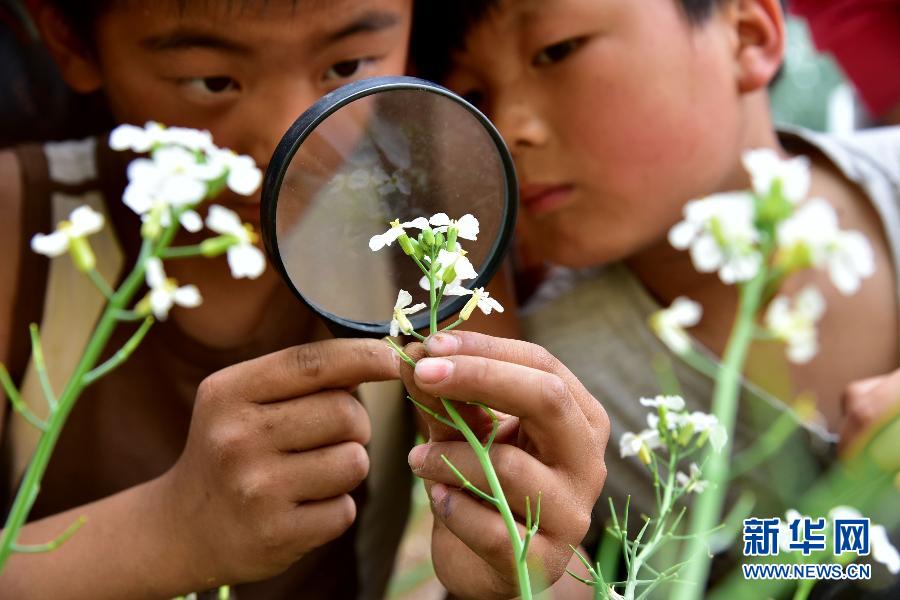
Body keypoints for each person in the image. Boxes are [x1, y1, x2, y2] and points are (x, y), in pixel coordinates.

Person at [0, 2, 611, 598]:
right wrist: (172, 532)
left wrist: (516, 564)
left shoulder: (427, 221)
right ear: (71, 42)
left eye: (347, 68)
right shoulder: (16, 221)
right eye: (212, 81)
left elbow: (533, 543)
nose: (283, 137)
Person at [412, 0, 900, 576]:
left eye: (556, 51)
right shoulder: (556, 396)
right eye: (473, 100)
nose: (510, 130)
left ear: (748, 35)